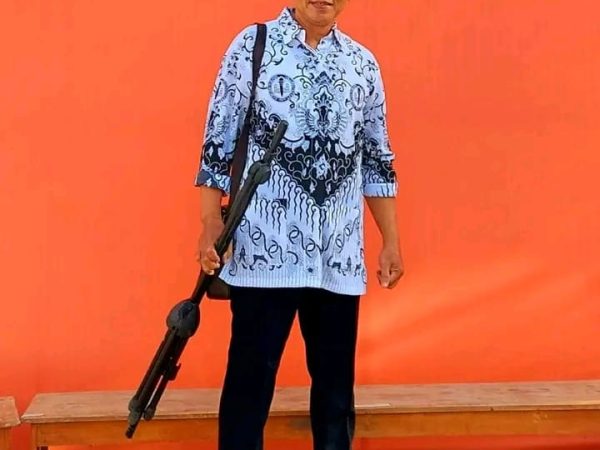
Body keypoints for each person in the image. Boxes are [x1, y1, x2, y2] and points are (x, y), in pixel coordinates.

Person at [195, 1, 404, 449]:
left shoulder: (362, 64)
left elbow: (377, 158)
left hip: (338, 256)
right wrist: (210, 220)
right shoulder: (252, 47)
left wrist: (391, 240)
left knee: (335, 397)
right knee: (249, 389)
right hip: (264, 251)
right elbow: (218, 140)